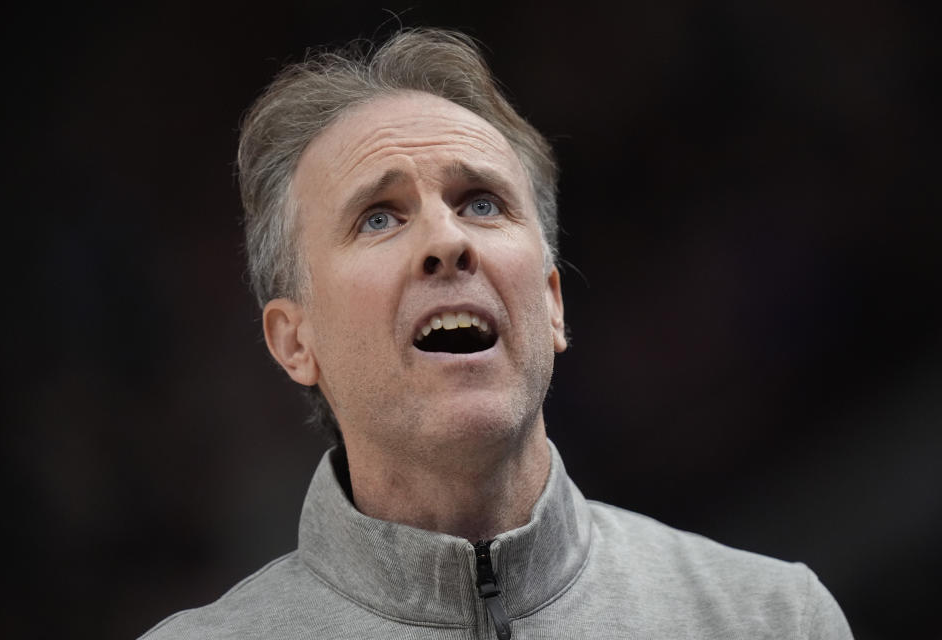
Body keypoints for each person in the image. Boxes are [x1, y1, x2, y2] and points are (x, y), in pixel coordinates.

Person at [141, 28, 853, 639]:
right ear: (295, 341)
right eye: (379, 217)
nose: (447, 240)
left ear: (551, 304)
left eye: (481, 202)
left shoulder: (768, 621)